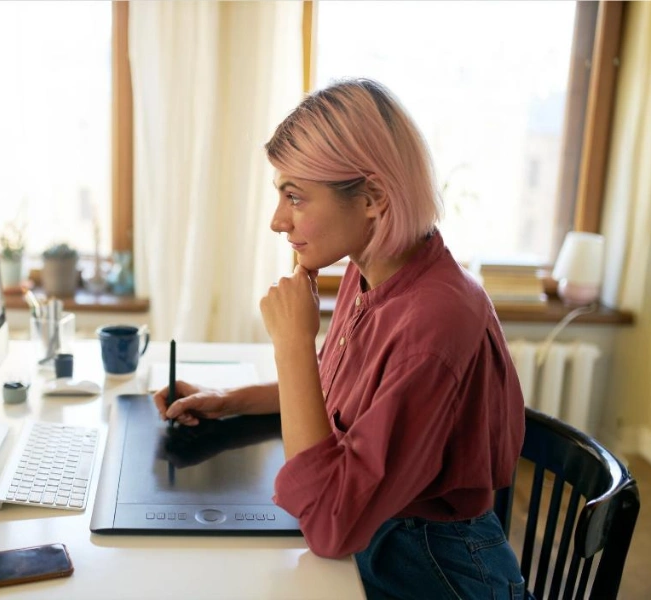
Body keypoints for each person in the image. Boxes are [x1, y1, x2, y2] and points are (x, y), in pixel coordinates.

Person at [154, 79, 528, 599]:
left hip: (432, 563)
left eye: (295, 197)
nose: (278, 221)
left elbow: (329, 526)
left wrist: (292, 344)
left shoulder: (434, 322)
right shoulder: (373, 267)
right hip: (380, 527)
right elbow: (336, 398)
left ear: (373, 198)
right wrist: (227, 401)